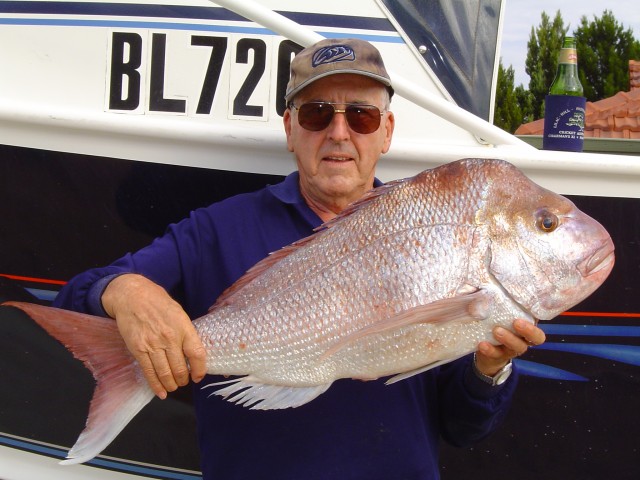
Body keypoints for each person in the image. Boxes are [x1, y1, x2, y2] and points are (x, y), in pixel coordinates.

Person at [54, 38, 546, 479]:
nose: (338, 132)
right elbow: (77, 296)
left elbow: (462, 430)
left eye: (361, 116)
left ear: (387, 131)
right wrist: (123, 291)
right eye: (316, 114)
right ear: (290, 128)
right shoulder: (216, 229)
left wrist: (489, 370)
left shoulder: (439, 237)